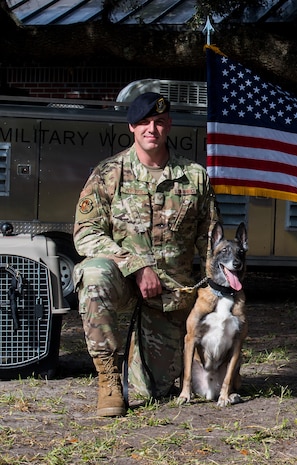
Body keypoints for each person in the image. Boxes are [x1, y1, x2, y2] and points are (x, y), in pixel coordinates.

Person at [73, 92, 218, 417]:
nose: (151, 128)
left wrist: (218, 294)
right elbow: (86, 233)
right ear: (132, 127)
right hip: (122, 281)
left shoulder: (194, 177)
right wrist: (137, 267)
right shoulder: (109, 173)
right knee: (93, 272)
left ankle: (148, 365)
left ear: (168, 126)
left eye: (159, 122)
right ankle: (108, 380)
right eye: (144, 122)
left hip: (169, 295)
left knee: (152, 390)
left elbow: (211, 243)